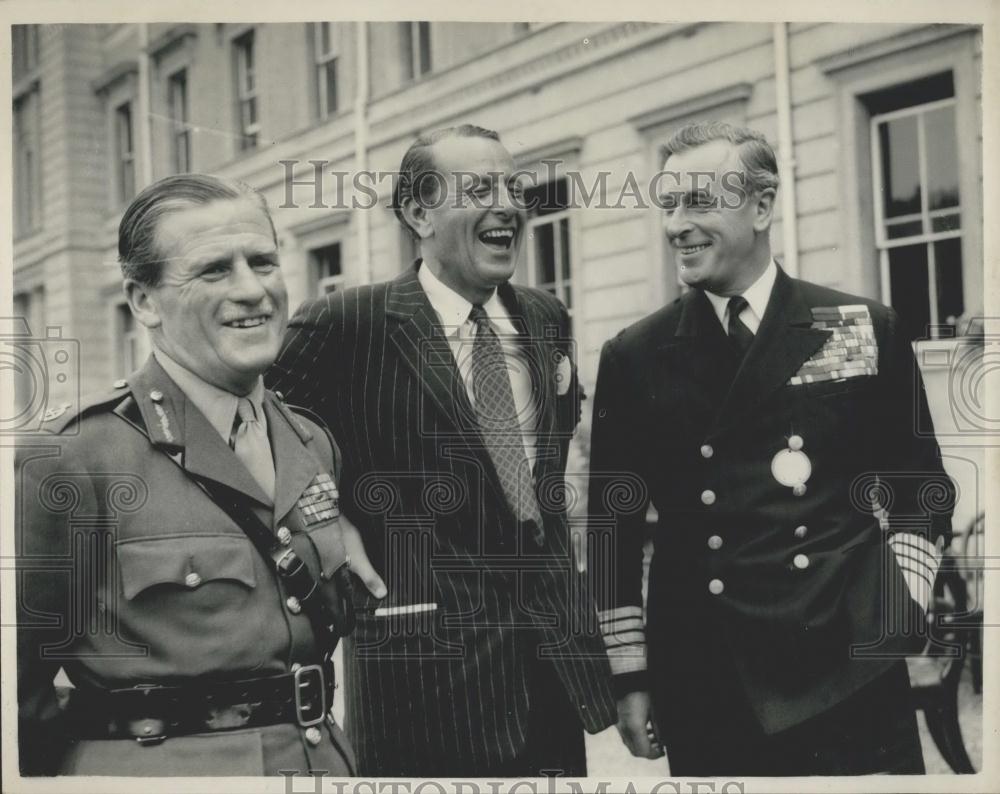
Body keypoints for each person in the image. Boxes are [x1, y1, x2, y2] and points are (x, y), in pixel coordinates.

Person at [587, 122, 954, 776]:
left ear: (761, 207)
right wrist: (631, 676)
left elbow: (918, 489)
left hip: (846, 667)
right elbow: (611, 530)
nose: (676, 225)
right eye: (667, 206)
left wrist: (896, 613)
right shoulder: (636, 357)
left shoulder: (850, 329)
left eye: (699, 203)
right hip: (710, 676)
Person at [269, 124, 616, 776]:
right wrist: (327, 518)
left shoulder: (547, 319)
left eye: (513, 187)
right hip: (421, 679)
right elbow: (257, 425)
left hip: (550, 668)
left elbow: (540, 471)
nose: (509, 204)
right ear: (419, 212)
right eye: (480, 188)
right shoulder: (349, 326)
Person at [15, 173, 386, 776]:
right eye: (214, 270)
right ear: (143, 301)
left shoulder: (310, 440)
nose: (252, 290)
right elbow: (16, 698)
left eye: (263, 262)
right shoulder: (75, 458)